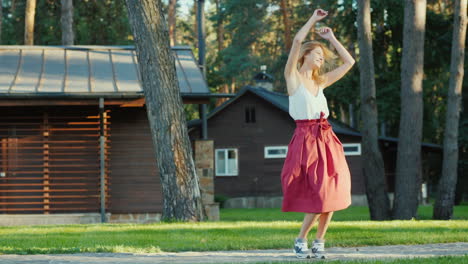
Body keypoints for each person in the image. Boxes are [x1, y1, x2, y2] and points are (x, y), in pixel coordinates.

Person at [281, 8, 355, 259]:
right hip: (306, 141)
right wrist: (313, 19)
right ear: (305, 56)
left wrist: (331, 39)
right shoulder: (293, 78)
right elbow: (297, 41)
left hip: (327, 139)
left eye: (323, 56)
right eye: (318, 54)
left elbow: (349, 62)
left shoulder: (321, 82)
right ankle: (301, 238)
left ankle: (319, 241)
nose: (321, 59)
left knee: (334, 190)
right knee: (319, 193)